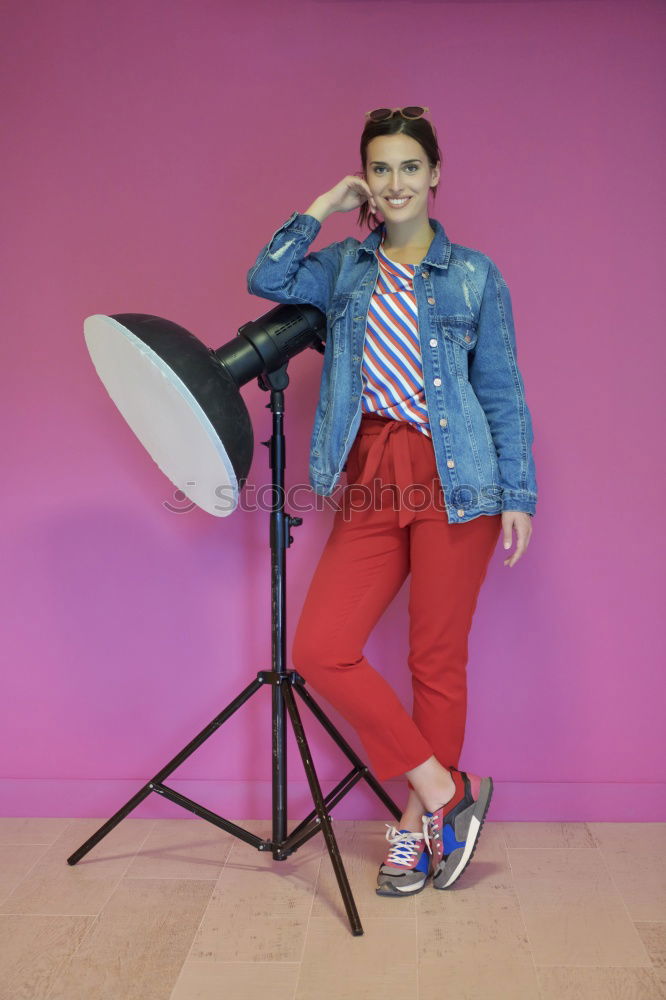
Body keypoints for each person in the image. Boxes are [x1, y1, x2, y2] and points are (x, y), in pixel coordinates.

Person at [246, 106, 537, 896]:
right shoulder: (344, 267)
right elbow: (267, 279)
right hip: (372, 468)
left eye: (410, 167)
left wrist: (518, 492)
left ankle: (414, 832)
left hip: (458, 475)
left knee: (434, 659)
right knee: (322, 647)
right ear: (365, 178)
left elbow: (502, 392)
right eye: (380, 168)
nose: (395, 182)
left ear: (435, 175)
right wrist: (322, 204)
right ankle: (449, 794)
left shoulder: (476, 275)